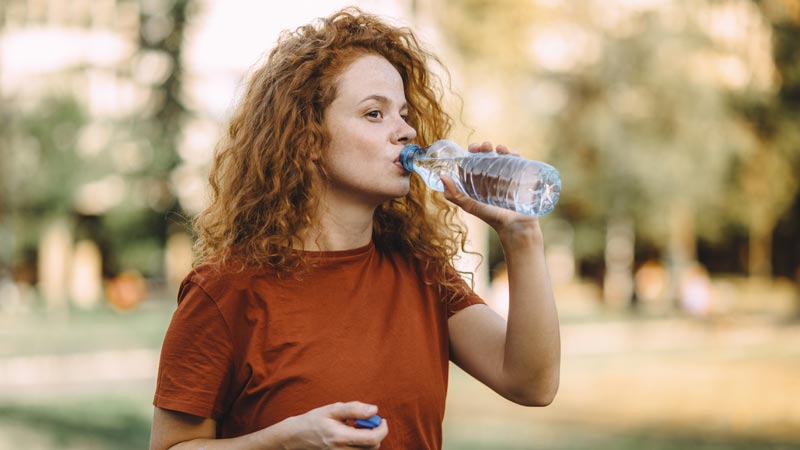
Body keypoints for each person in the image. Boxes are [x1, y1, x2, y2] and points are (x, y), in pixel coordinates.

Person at [149, 7, 560, 450]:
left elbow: (531, 384)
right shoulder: (226, 292)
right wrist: (284, 441)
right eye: (374, 114)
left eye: (403, 113)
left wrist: (522, 237)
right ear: (306, 139)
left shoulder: (422, 274)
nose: (405, 131)